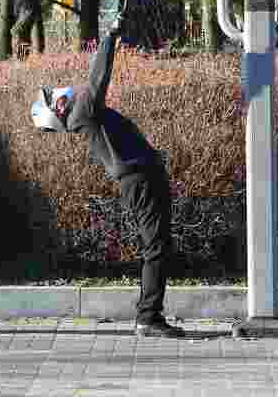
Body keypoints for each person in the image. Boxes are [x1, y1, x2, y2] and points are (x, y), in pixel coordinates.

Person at [30, 20, 184, 338]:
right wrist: (110, 37)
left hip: (142, 177)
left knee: (159, 245)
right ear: (56, 112)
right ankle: (148, 319)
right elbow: (99, 76)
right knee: (155, 247)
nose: (58, 93)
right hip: (139, 179)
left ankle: (150, 315)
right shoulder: (81, 112)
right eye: (52, 97)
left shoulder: (81, 116)